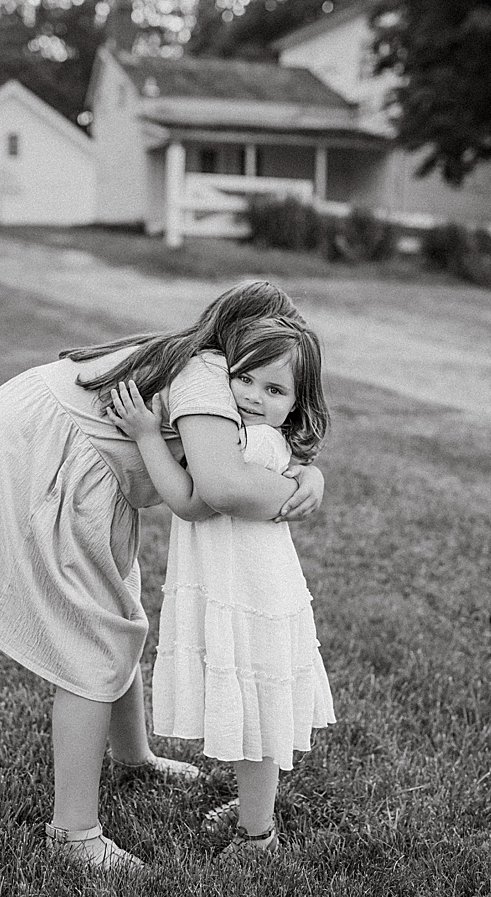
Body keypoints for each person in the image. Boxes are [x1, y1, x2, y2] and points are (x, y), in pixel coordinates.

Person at [0, 281, 325, 870]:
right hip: (44, 453)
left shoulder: (209, 367)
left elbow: (260, 456)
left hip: (48, 442)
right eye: (253, 360)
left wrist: (311, 475)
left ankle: (135, 758)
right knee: (91, 638)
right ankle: (74, 832)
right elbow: (220, 489)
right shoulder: (208, 374)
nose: (255, 384)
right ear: (235, 341)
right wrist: (300, 486)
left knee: (117, 614)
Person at [105, 316, 335, 856]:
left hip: (247, 593)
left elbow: (186, 500)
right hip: (249, 589)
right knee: (253, 708)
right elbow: (294, 468)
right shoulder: (261, 439)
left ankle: (258, 835)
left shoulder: (248, 442)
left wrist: (144, 435)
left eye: (275, 389)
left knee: (253, 714)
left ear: (296, 406)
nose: (254, 397)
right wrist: (311, 473)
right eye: (246, 379)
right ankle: (256, 808)